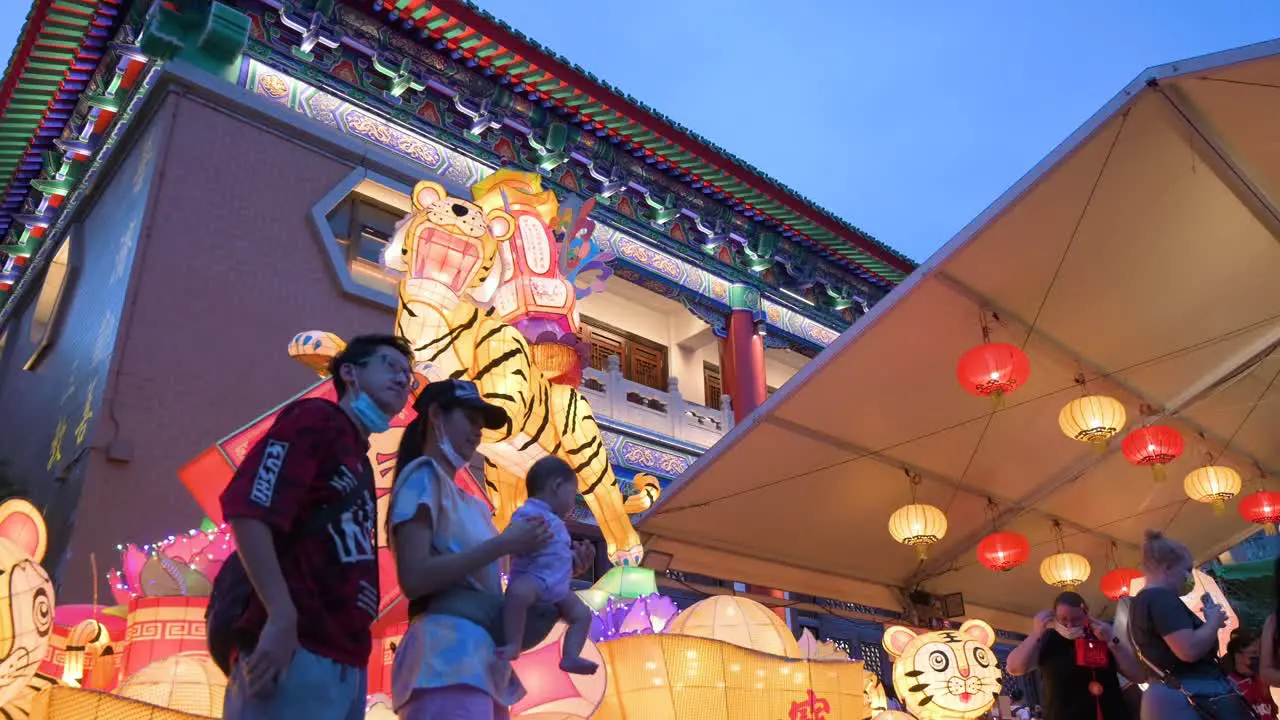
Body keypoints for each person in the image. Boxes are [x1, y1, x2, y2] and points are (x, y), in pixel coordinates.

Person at [219, 334, 414, 719]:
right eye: (389, 365)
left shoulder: (359, 457)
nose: (402, 379)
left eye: (408, 374)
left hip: (347, 658)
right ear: (350, 373)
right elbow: (250, 510)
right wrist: (280, 614)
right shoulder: (315, 420)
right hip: (296, 648)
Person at [387, 379, 596, 720]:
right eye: (470, 420)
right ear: (437, 415)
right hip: (447, 654)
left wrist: (560, 568)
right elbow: (414, 577)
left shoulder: (476, 505)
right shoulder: (422, 476)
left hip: (483, 658)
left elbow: (493, 572)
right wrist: (505, 544)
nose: (478, 432)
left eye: (481, 425)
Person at [1129, 529, 1253, 720]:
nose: (1189, 577)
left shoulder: (1140, 602)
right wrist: (1213, 623)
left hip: (1166, 697)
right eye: (1186, 569)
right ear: (1168, 567)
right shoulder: (1161, 598)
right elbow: (1188, 650)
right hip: (1191, 698)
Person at [496, 456, 597, 675]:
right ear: (557, 486)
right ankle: (513, 643)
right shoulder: (529, 512)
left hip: (556, 585)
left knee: (582, 614)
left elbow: (555, 554)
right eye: (573, 495)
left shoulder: (557, 522)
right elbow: (515, 537)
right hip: (533, 577)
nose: (573, 503)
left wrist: (573, 559)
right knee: (517, 594)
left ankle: (570, 656)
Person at [1006, 590, 1140, 720]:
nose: (1069, 625)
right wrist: (1036, 633)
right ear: (1054, 617)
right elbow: (1014, 668)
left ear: (1086, 615)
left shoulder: (1102, 635)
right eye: (1063, 619)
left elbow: (1138, 676)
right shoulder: (1047, 639)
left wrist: (1112, 640)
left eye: (1076, 620)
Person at [1225, 629, 1277, 719]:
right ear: (1238, 657)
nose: (1259, 657)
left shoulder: (1262, 679)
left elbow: (1272, 711)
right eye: (1253, 653)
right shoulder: (1230, 686)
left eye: (1260, 653)